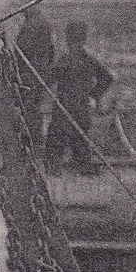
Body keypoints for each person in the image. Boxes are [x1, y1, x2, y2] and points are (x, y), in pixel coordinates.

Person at [43, 19, 116, 173]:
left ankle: (54, 169)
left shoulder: (65, 59)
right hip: (82, 106)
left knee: (56, 139)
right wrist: (94, 95)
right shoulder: (88, 58)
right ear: (83, 38)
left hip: (65, 107)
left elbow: (48, 78)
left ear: (68, 38)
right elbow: (108, 78)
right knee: (80, 139)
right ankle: (82, 166)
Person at [12, 0, 55, 135]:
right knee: (31, 114)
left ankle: (32, 149)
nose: (19, 3)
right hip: (35, 76)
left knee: (30, 115)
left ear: (31, 0)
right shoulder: (36, 21)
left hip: (31, 77)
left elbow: (23, 52)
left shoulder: (35, 24)